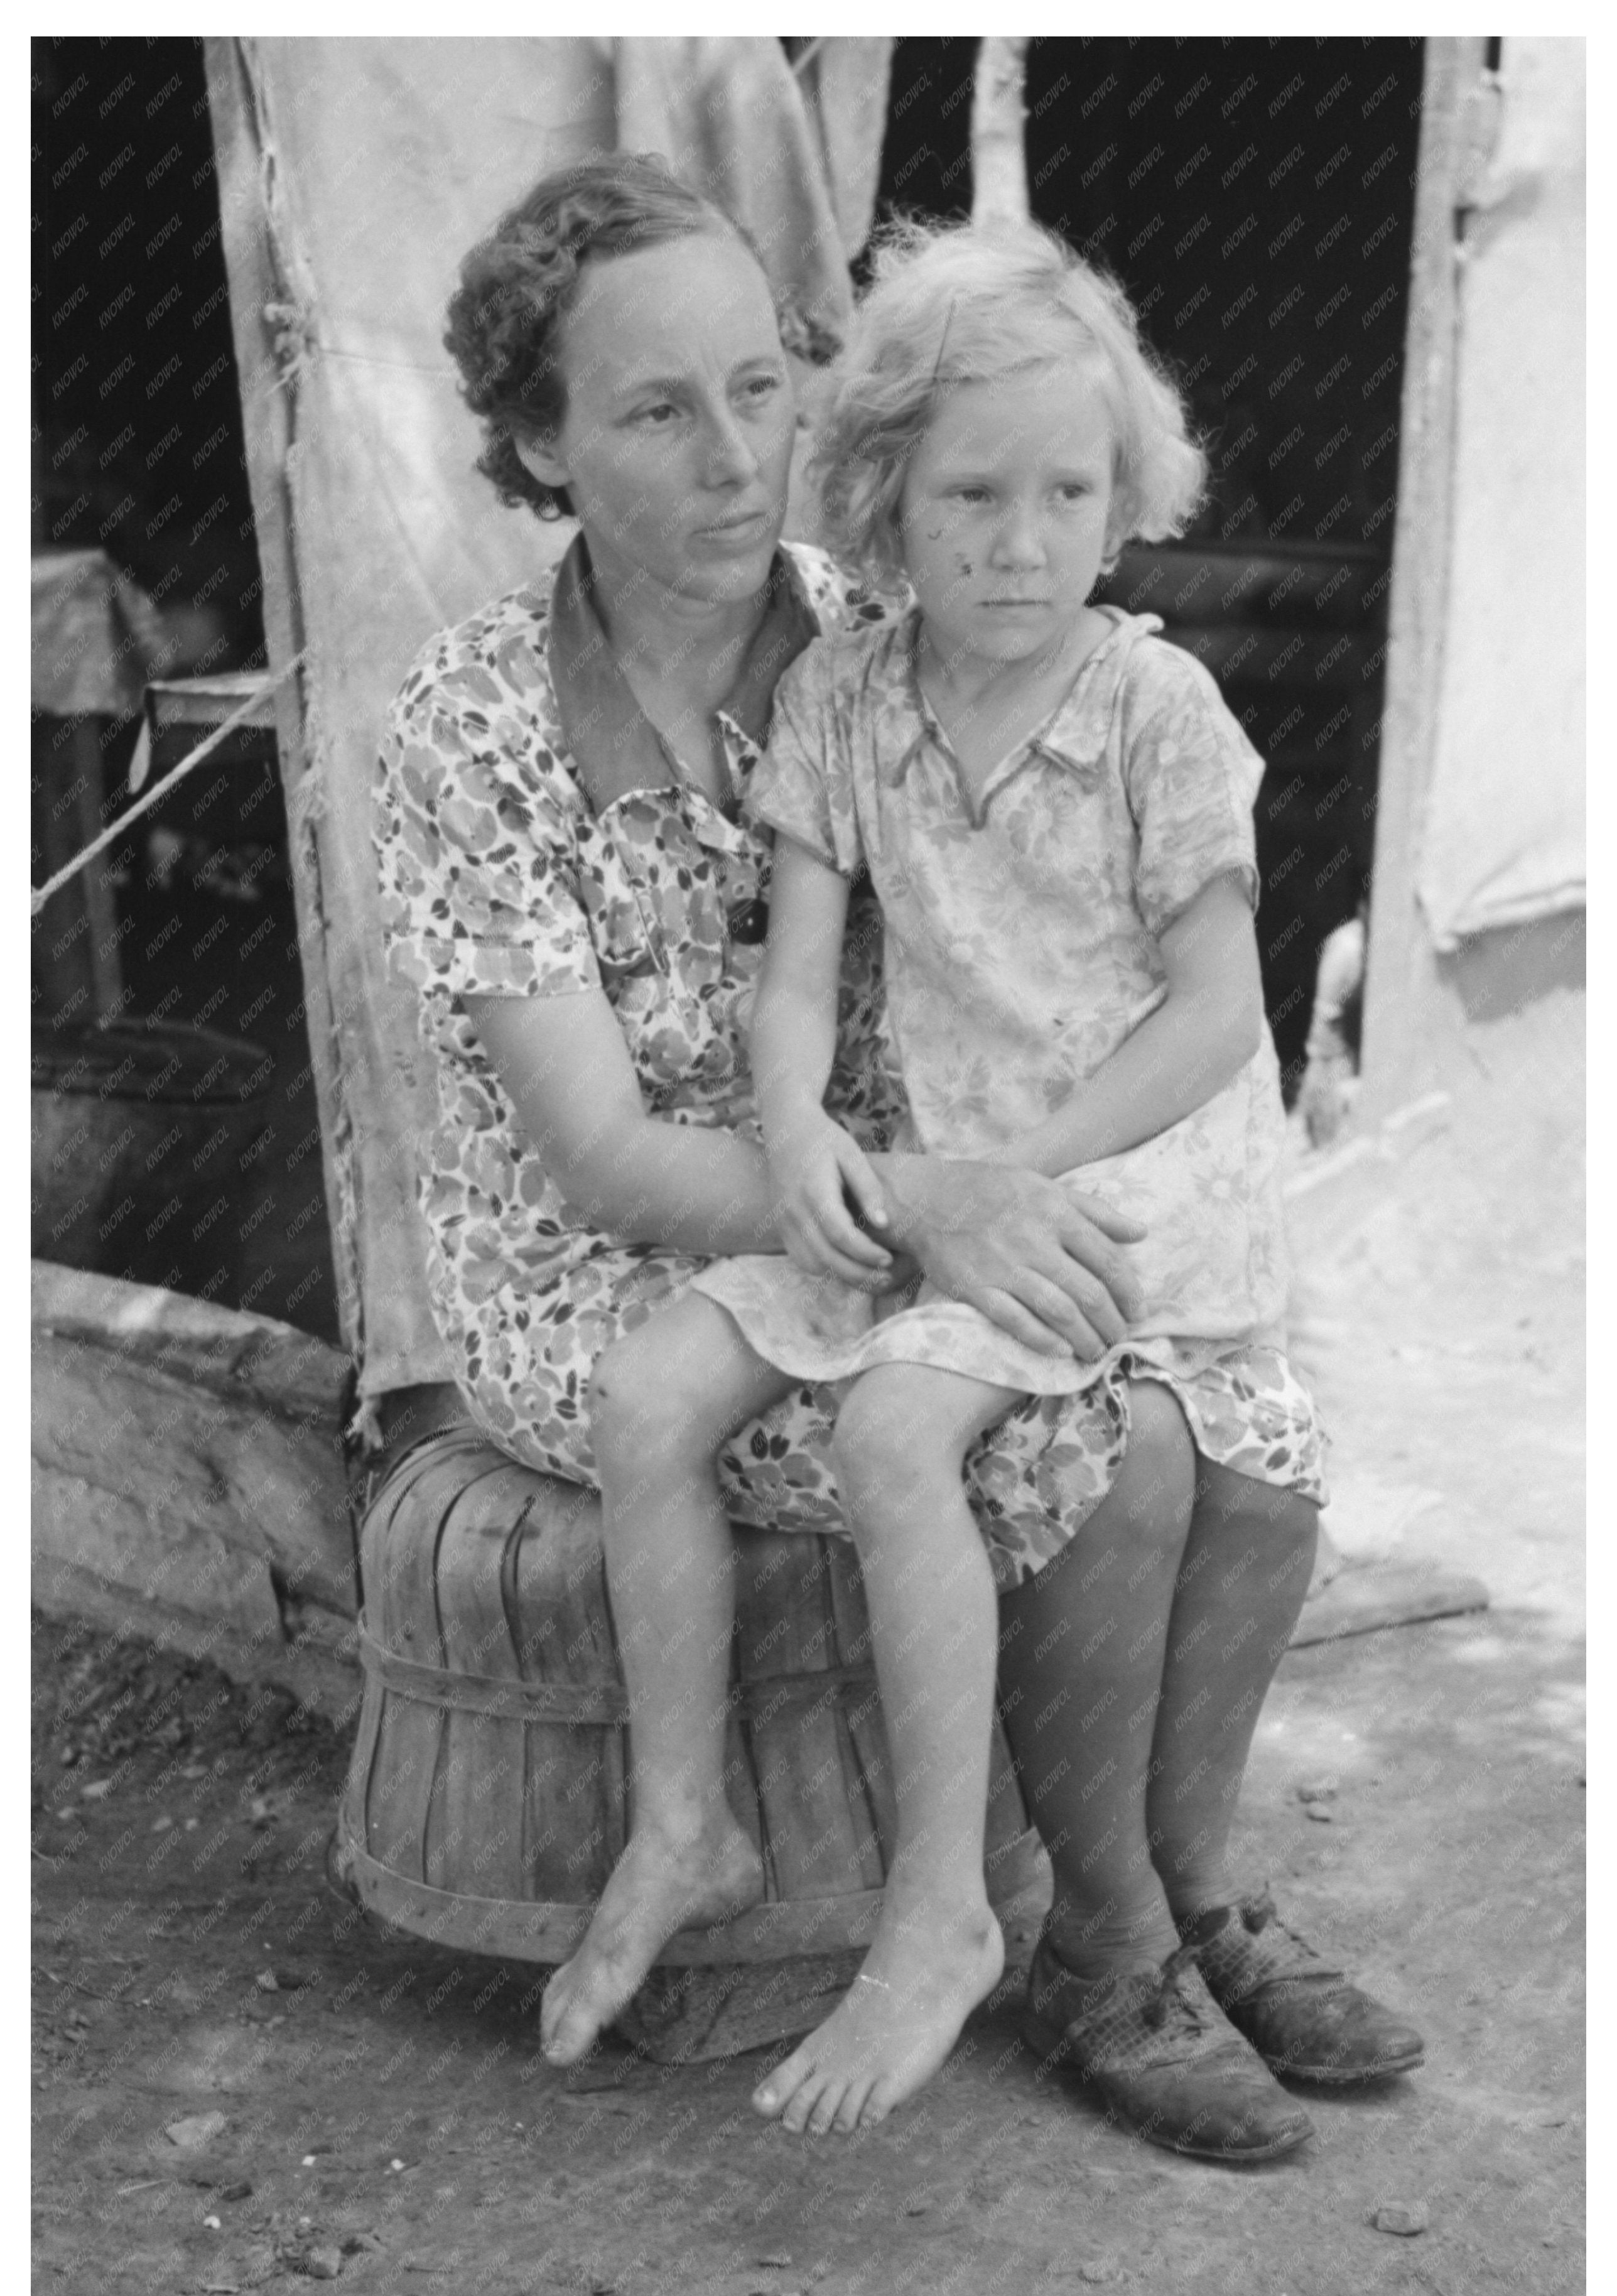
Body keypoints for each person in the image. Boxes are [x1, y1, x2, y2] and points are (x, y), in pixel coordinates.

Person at [374, 155, 1422, 2164]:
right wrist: (933, 1201)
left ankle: (1200, 1900)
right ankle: (1102, 1948)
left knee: (1230, 1427)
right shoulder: (470, 727)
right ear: (536, 441)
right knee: (1092, 1444)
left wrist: (1007, 1176)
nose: (730, 456)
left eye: (760, 386)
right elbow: (602, 1159)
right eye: (653, 410)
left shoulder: (893, 616)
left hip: (925, 1194)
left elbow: (1106, 925)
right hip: (621, 1269)